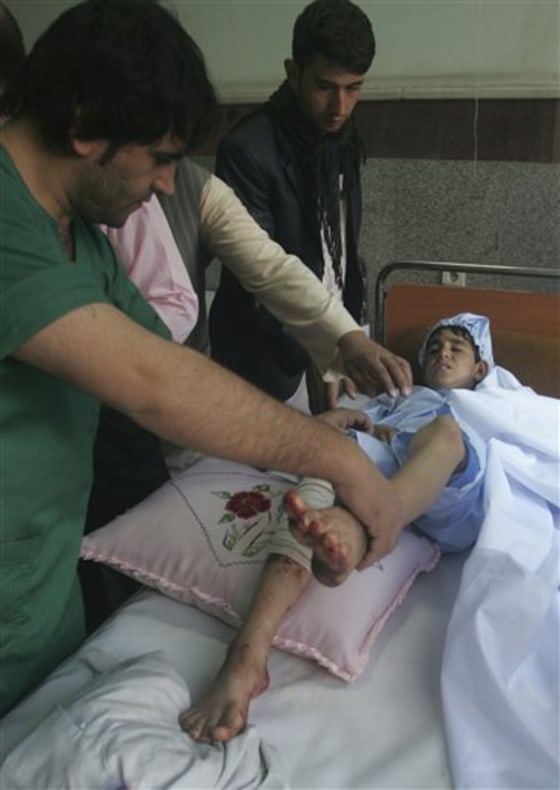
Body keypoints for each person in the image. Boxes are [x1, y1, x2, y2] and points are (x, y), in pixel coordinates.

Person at [0, 0, 405, 717]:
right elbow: (149, 382)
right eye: (159, 158)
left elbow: (170, 360)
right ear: (85, 125)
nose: (167, 185)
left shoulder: (83, 238)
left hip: (36, 604)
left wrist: (309, 441)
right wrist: (334, 462)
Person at [180, 312, 491, 744]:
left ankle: (369, 525)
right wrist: (346, 421)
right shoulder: (391, 401)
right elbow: (295, 442)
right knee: (325, 457)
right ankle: (248, 652)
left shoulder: (499, 402)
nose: (443, 352)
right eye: (435, 346)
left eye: (457, 347)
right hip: (379, 471)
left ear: (481, 369)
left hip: (449, 489)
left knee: (445, 433)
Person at [209, 0, 383, 412]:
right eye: (325, 86)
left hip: (333, 333)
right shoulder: (247, 149)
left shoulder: (341, 136)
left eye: (353, 88)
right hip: (264, 354)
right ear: (293, 72)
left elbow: (340, 241)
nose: (340, 107)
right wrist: (326, 348)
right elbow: (262, 272)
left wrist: (345, 328)